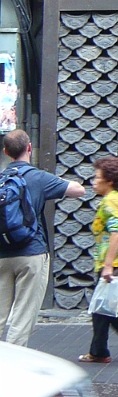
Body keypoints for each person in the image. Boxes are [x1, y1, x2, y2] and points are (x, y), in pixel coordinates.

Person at [0, 130, 85, 346]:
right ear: (29, 148)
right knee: (23, 315)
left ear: (6, 152)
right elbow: (78, 190)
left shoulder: (1, 179)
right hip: (32, 253)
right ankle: (13, 366)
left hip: (2, 254)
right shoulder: (37, 177)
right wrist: (52, 180)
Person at [79, 156, 118, 364]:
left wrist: (108, 266)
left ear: (109, 181)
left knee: (108, 307)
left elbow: (116, 233)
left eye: (97, 178)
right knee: (102, 308)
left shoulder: (109, 203)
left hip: (112, 262)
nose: (93, 182)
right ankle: (98, 351)